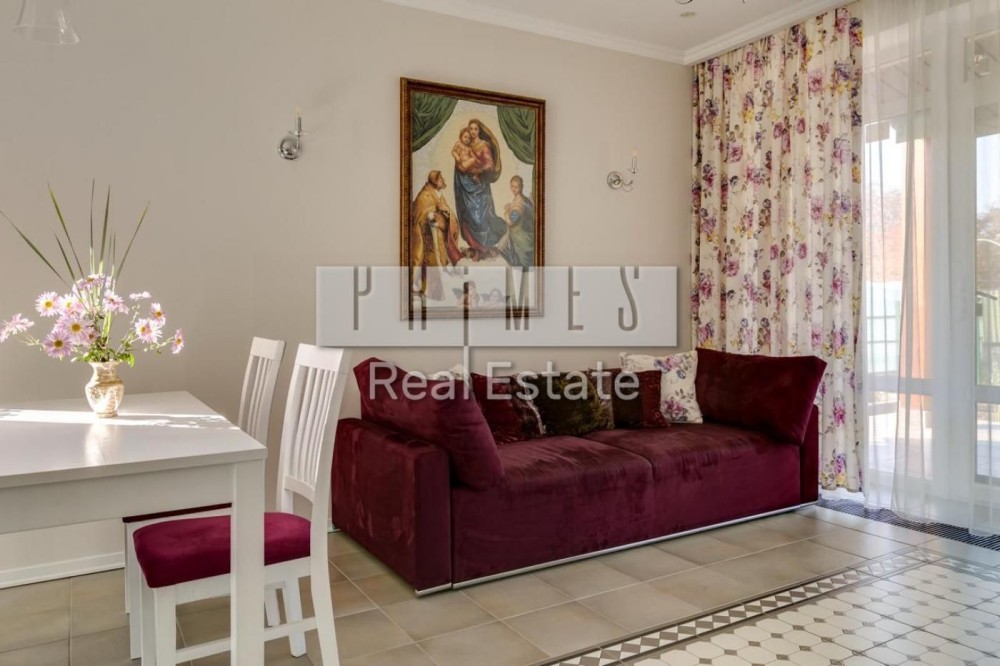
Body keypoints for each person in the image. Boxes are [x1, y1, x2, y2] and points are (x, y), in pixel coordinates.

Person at [453, 119, 507, 260]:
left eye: (475, 129)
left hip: (479, 188)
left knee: (479, 218)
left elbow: (490, 165)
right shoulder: (466, 144)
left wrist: (478, 171)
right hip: (465, 187)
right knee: (467, 216)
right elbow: (458, 159)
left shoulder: (484, 145)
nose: (472, 131)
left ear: (479, 130)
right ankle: (476, 248)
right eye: (470, 128)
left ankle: (484, 249)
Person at [410, 170, 459, 301]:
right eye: (441, 179)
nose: (444, 181)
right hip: (428, 238)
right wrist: (432, 218)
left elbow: (448, 214)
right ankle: (424, 289)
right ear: (436, 181)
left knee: (440, 266)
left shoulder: (438, 195)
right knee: (429, 264)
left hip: (439, 237)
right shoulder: (424, 196)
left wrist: (446, 212)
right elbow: (419, 216)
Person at [496, 175, 535, 268]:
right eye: (512, 186)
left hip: (521, 237)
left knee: (501, 247)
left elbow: (510, 222)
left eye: (516, 187)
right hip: (524, 231)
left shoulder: (518, 205)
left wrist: (506, 212)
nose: (513, 189)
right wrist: (511, 207)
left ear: (521, 187)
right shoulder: (523, 199)